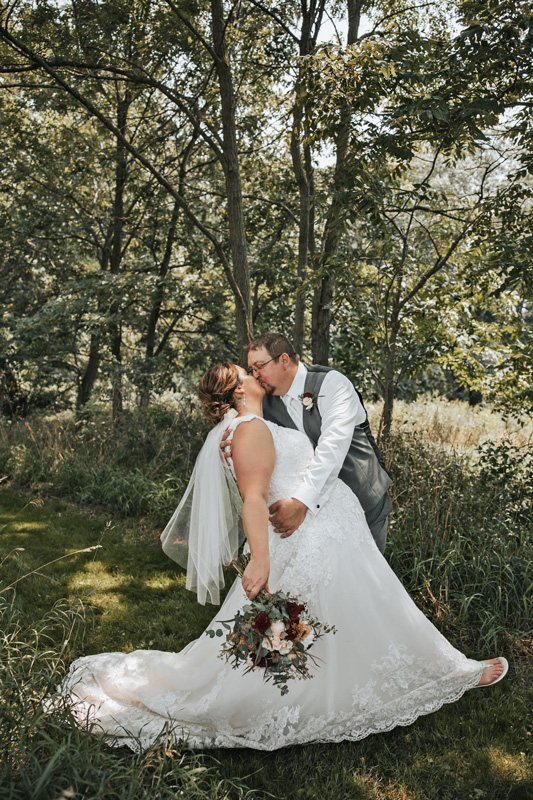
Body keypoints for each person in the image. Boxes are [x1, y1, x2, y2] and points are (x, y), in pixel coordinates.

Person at [53, 362, 507, 752]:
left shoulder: (244, 427)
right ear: (236, 390)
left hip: (327, 534)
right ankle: (449, 672)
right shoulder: (247, 430)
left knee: (358, 612)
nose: (256, 374)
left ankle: (412, 674)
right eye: (246, 372)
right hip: (308, 540)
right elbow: (254, 498)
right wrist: (260, 561)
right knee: (361, 611)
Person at [222, 333, 392, 553]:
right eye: (251, 370)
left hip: (362, 500)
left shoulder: (332, 383)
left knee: (366, 579)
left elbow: (333, 447)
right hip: (314, 517)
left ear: (283, 360)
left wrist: (301, 503)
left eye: (259, 367)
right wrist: (230, 439)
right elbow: (254, 436)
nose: (255, 376)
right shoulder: (265, 400)